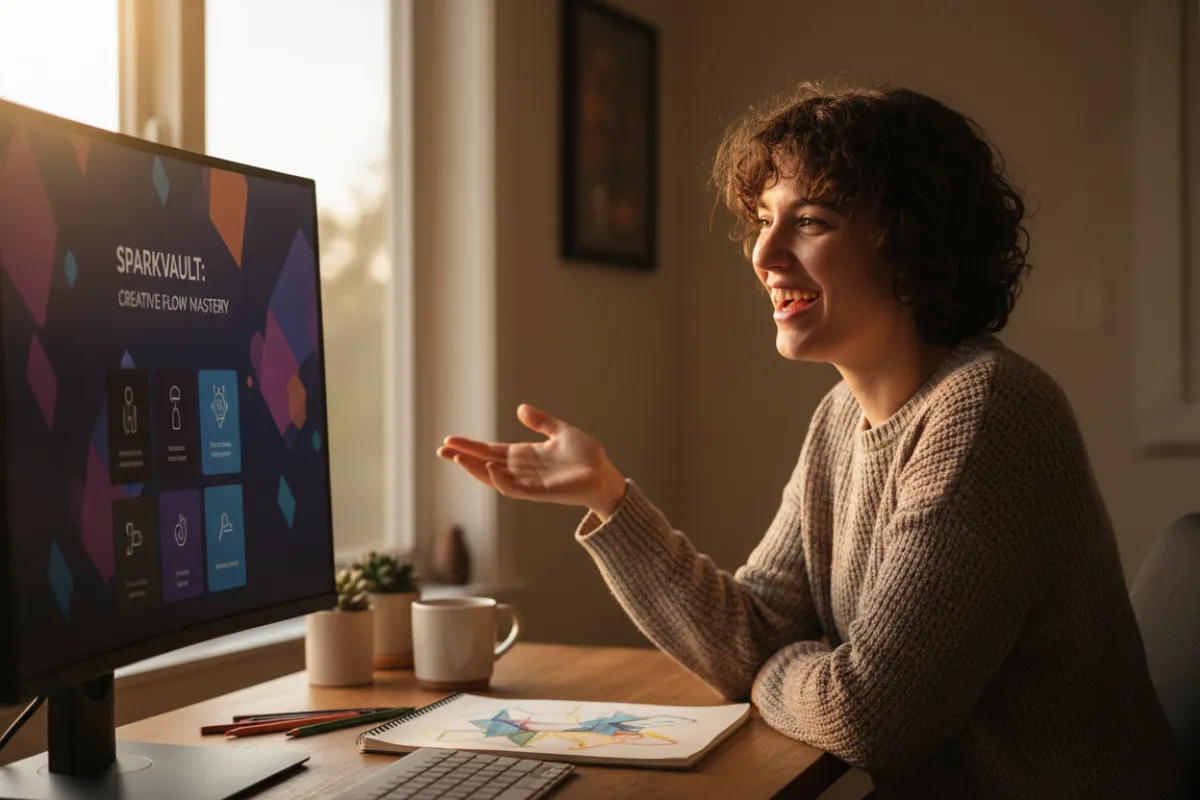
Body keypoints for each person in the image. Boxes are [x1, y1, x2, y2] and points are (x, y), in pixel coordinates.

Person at [437, 82, 1186, 798]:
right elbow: (750, 633)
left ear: (911, 245)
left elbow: (869, 719)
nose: (763, 255)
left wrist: (771, 674)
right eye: (764, 218)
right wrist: (607, 496)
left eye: (812, 221)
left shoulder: (987, 410)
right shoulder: (838, 420)